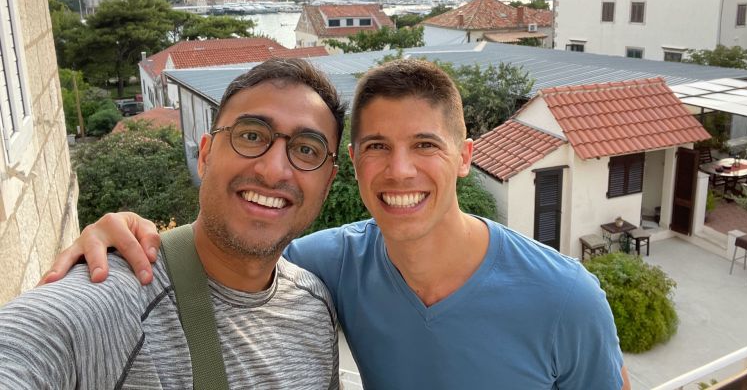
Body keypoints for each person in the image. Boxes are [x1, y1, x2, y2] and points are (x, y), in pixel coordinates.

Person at [42, 59, 631, 389]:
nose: (400, 171)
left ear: (464, 157)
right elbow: (234, 251)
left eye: (425, 144)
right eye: (377, 146)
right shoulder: (328, 266)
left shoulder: (566, 299)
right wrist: (126, 233)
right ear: (351, 163)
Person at [0, 58, 345, 389]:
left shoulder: (315, 306)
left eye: (307, 150)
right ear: (205, 156)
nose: (273, 171)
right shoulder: (112, 302)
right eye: (251, 136)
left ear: (327, 184)